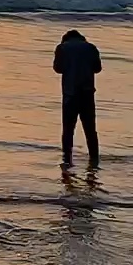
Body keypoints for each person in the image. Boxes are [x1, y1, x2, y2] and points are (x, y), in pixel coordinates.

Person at [52, 29, 101, 167]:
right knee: (90, 129)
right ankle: (94, 159)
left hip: (70, 93)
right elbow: (97, 68)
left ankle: (67, 159)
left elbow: (58, 68)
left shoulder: (62, 48)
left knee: (68, 130)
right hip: (87, 93)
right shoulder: (91, 47)